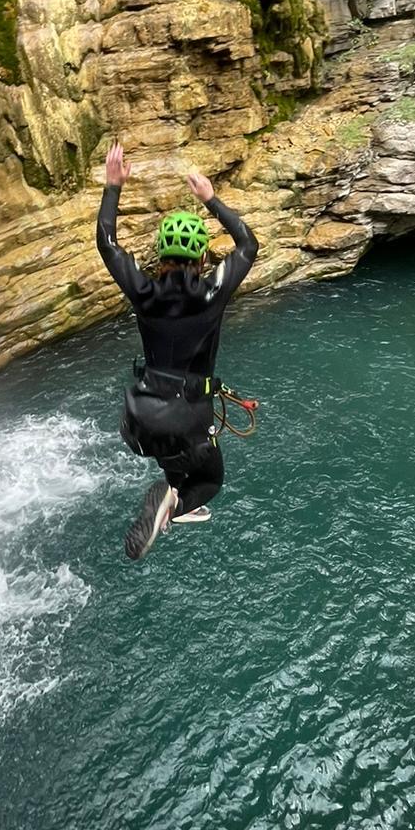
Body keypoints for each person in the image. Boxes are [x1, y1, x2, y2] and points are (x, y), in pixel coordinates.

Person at [96, 140, 259, 561]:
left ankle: (169, 493)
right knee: (209, 482)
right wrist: (211, 199)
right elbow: (248, 247)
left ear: (160, 256)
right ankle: (176, 503)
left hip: (140, 417)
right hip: (188, 414)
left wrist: (113, 186)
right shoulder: (212, 293)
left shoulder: (143, 291)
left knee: (173, 456)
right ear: (203, 258)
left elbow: (107, 244)